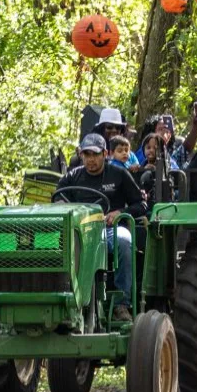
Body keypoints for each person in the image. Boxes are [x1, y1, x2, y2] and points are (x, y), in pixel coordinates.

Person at [56, 134, 148, 322]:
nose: (91, 159)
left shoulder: (119, 174)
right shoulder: (72, 176)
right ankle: (61, 298)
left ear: (105, 154)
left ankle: (122, 304)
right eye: (86, 154)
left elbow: (141, 205)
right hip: (79, 232)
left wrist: (119, 212)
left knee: (124, 241)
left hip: (109, 230)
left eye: (95, 154)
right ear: (81, 155)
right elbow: (57, 198)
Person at [94, 107, 140, 173]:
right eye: (109, 127)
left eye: (118, 127)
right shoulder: (95, 144)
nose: (114, 130)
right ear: (102, 128)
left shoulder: (125, 145)